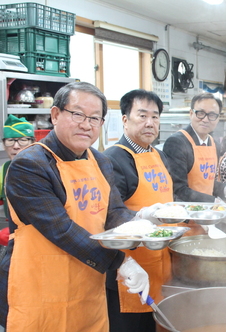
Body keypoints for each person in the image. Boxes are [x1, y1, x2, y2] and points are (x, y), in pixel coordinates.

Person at [0, 82, 150, 331]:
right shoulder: (30, 165)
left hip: (87, 284)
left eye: (95, 118)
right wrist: (121, 261)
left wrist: (140, 221)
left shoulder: (100, 161)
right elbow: (62, 230)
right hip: (40, 290)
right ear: (56, 115)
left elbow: (112, 212)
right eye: (78, 114)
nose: (86, 124)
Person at [103, 89, 173, 332]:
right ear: (124, 119)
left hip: (161, 264)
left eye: (155, 117)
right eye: (142, 116)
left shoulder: (160, 156)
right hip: (129, 268)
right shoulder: (113, 159)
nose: (150, 123)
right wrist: (140, 217)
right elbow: (107, 217)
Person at [162, 93, 226, 204]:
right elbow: (177, 189)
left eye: (212, 115)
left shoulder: (214, 143)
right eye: (200, 113)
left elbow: (207, 182)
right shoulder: (177, 142)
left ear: (218, 118)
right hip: (185, 217)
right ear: (191, 114)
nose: (205, 119)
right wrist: (212, 201)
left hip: (207, 214)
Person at [0, 115, 35, 245]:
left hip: (39, 238)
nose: (16, 146)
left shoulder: (44, 168)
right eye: (10, 140)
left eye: (23, 140)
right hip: (14, 238)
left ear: (33, 143)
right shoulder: (4, 169)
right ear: (4, 144)